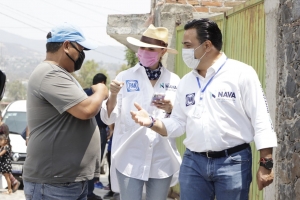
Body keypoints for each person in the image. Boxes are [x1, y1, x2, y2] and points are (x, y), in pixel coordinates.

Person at [130, 18, 277, 200]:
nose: (184, 51)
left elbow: (261, 119)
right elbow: (178, 123)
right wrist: (152, 122)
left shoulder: (241, 74)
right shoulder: (186, 82)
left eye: (187, 45)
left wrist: (266, 163)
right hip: (194, 164)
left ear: (207, 45)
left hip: (233, 162)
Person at [23, 22, 108, 200]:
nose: (82, 55)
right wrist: (101, 91)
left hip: (66, 181)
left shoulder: (60, 73)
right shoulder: (50, 73)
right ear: (67, 46)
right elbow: (86, 109)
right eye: (81, 49)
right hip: (54, 184)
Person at [100, 24, 182, 200]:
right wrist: (113, 95)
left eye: (151, 49)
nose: (144, 51)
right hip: (130, 156)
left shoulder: (174, 81)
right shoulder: (125, 77)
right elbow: (109, 117)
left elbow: (182, 119)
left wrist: (171, 108)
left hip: (162, 158)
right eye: (142, 47)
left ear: (163, 52)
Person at [84, 73, 109, 200]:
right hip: (99, 131)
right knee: (94, 163)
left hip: (84, 131)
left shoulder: (83, 93)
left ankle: (86, 191)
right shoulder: (103, 96)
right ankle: (89, 192)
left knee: (86, 162)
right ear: (103, 83)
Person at [0, 117, 21, 192]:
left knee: (5, 172)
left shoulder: (4, 127)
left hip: (3, 151)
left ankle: (13, 184)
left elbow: (5, 139)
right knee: (4, 172)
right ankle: (14, 182)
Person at [102, 123, 114, 199]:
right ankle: (112, 190)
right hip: (113, 146)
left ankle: (113, 191)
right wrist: (111, 128)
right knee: (112, 170)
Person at [0, 126, 12, 194]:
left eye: (1, 140)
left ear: (6, 141)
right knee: (6, 177)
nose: (0, 142)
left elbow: (1, 154)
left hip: (6, 164)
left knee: (7, 177)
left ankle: (9, 189)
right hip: (3, 163)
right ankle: (9, 189)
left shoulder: (6, 147)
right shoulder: (2, 147)